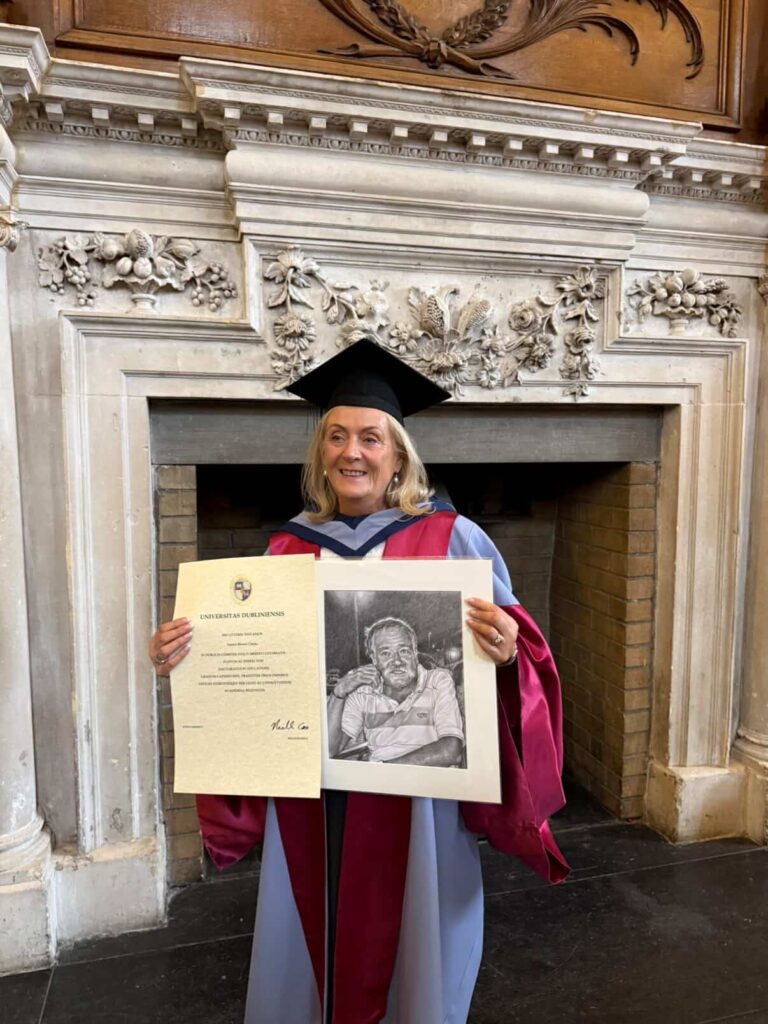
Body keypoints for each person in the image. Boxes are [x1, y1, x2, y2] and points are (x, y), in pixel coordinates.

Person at [149, 340, 568, 1024]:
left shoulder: (453, 539)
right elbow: (252, 668)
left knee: (417, 941)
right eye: (336, 436)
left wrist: (510, 647)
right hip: (314, 794)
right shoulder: (288, 548)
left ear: (398, 455)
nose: (353, 452)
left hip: (419, 805)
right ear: (320, 454)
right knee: (312, 937)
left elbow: (518, 648)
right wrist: (185, 657)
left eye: (370, 438)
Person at [328, 616, 465, 766]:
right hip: (378, 782)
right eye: (386, 653)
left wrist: (383, 772)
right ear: (374, 659)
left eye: (404, 651)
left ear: (414, 652)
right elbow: (330, 749)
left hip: (426, 782)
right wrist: (339, 692)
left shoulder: (437, 681)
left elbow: (450, 751)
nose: (397, 661)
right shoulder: (363, 693)